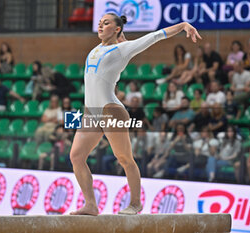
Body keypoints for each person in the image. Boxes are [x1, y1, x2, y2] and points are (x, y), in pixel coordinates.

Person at [69, 13, 201, 216]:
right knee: (76, 156)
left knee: (124, 158)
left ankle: (135, 203)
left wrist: (183, 25)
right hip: (90, 111)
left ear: (117, 29)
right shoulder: (97, 48)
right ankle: (91, 205)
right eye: (100, 23)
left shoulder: (123, 49)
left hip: (110, 110)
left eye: (106, 23)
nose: (101, 26)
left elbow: (156, 36)